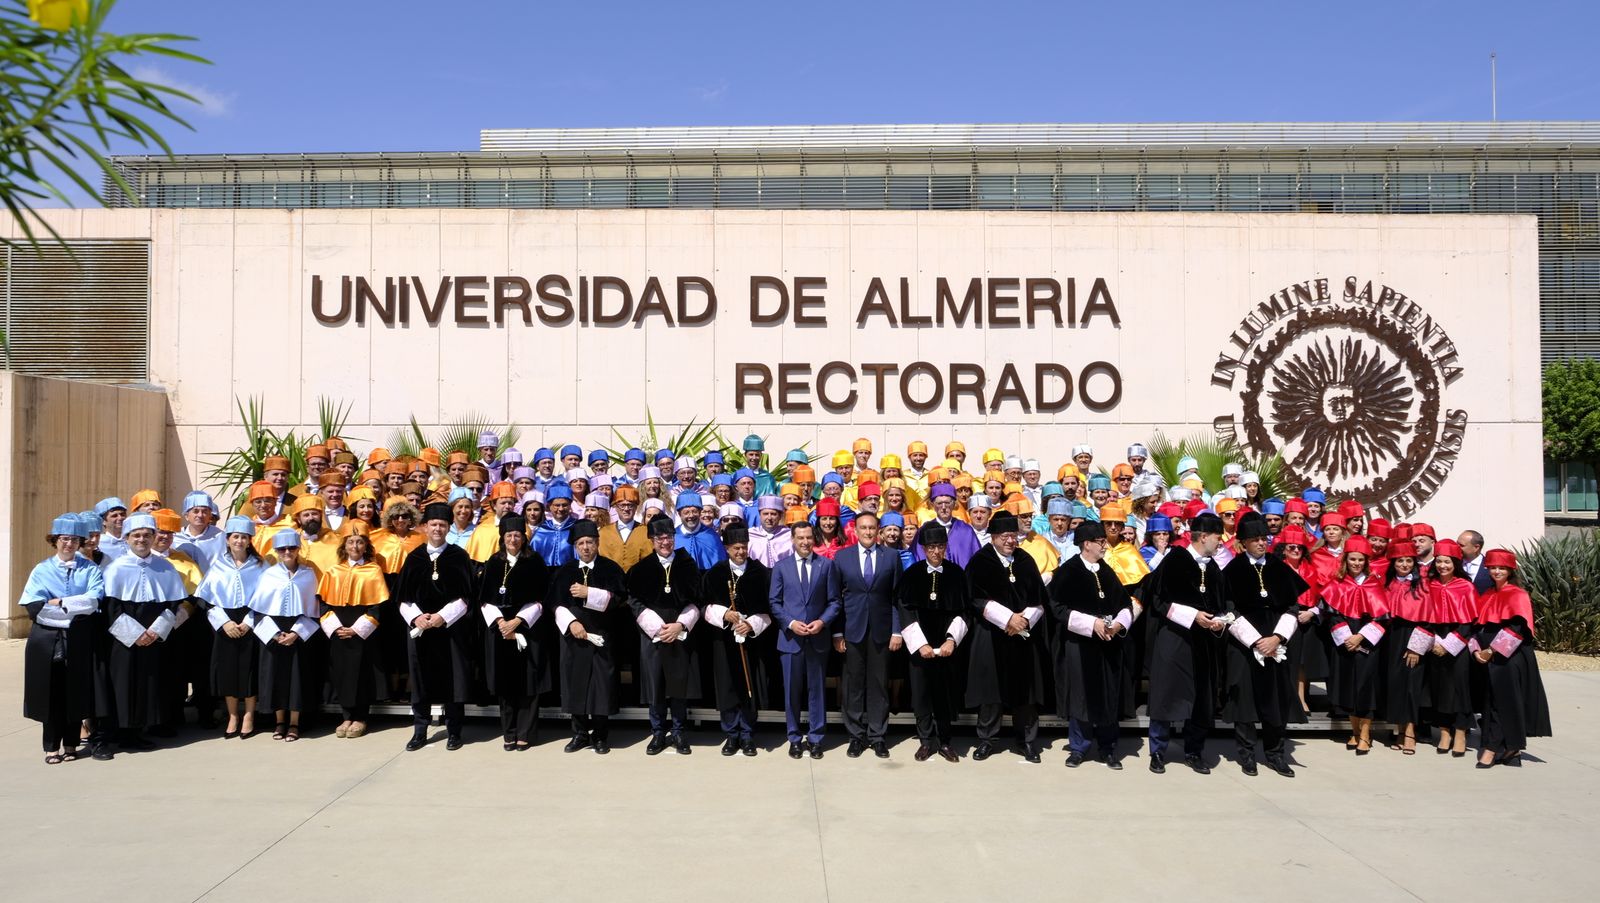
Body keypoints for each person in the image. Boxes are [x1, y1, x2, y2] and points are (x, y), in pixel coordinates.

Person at [1220, 512, 1309, 777]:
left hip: (1277, 646)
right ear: (1243, 543)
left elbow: (1293, 607)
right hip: (1245, 646)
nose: (1261, 543)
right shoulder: (1232, 571)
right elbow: (1228, 610)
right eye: (1255, 539)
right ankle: (1247, 755)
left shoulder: (1279, 567)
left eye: (1264, 538)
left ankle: (1275, 754)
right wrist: (1257, 641)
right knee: (1245, 702)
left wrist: (1277, 638)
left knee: (1276, 699)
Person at [1144, 512, 1228, 775]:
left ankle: (1194, 751)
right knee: (1166, 694)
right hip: (1174, 639)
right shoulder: (1174, 560)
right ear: (1203, 536)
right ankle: (1158, 751)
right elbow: (1158, 600)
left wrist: (1219, 621)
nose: (1220, 543)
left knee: (1201, 698)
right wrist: (1193, 617)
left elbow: (1221, 604)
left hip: (1203, 643)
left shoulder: (1213, 568)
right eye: (1217, 537)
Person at [965, 510, 1051, 763]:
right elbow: (974, 597)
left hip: (1024, 635)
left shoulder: (1025, 560)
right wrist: (1007, 619)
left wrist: (1023, 621)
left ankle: (1026, 740)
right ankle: (987, 739)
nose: (1010, 541)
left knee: (1025, 693)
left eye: (1013, 536)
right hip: (991, 634)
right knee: (991, 692)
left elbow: (1039, 598)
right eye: (1004, 536)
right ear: (993, 537)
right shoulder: (980, 561)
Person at [1051, 520, 1137, 769]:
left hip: (1108, 644)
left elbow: (1124, 603)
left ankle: (1108, 748)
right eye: (1100, 542)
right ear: (1086, 544)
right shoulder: (1068, 571)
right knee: (1081, 696)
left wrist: (1119, 624)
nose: (1104, 547)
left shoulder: (1106, 571)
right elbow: (1057, 608)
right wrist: (1092, 624)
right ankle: (1079, 747)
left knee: (1109, 694)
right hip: (1080, 645)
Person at [22, 514, 105, 765]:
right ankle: (51, 746)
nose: (68, 544)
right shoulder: (42, 569)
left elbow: (94, 600)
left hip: (79, 640)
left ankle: (71, 743)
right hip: (46, 640)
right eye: (64, 539)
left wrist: (61, 603)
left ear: (80, 543)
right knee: (51, 692)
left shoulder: (90, 569)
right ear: (55, 541)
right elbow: (34, 606)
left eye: (74, 540)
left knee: (76, 691)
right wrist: (72, 612)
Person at [102, 513, 188, 751]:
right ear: (127, 538)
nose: (142, 540)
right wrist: (135, 634)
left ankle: (141, 729)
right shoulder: (116, 568)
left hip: (154, 636)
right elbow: (111, 608)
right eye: (136, 535)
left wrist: (156, 630)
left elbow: (173, 604)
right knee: (124, 683)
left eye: (147, 535)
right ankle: (123, 733)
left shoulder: (165, 567)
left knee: (149, 683)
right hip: (125, 639)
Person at [397, 502, 478, 751]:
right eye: (433, 524)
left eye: (442, 525)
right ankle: (420, 730)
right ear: (424, 527)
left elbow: (467, 596)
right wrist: (416, 618)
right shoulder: (414, 558)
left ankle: (454, 731)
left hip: (450, 631)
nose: (437, 529)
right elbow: (402, 597)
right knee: (420, 682)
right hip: (421, 631)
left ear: (449, 527)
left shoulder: (459, 557)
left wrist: (443, 616)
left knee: (454, 681)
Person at [627, 514, 704, 755]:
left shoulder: (687, 564)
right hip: (653, 634)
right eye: (660, 538)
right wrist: (657, 628)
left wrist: (680, 625)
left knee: (678, 685)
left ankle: (679, 731)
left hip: (679, 632)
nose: (665, 542)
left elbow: (698, 599)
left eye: (669, 537)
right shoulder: (641, 569)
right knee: (655, 684)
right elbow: (634, 600)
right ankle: (658, 732)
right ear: (651, 540)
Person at [551, 519, 629, 754]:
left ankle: (601, 735)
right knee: (575, 683)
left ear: (597, 543)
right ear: (575, 546)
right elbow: (554, 603)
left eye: (590, 542)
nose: (585, 547)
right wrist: (572, 623)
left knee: (601, 686)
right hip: (573, 637)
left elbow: (619, 599)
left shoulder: (610, 568)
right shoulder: (565, 571)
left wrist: (589, 593)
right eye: (581, 543)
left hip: (602, 635)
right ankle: (580, 733)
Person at [893, 523, 969, 762]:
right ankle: (926, 741)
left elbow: (965, 611)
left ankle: (945, 741)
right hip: (921, 648)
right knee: (922, 694)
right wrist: (920, 645)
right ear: (924, 549)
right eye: (931, 547)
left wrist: (951, 640)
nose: (936, 551)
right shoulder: (912, 574)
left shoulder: (957, 574)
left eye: (940, 546)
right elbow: (904, 610)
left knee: (945, 694)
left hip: (947, 648)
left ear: (946, 547)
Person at [828, 511, 901, 758]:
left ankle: (878, 735)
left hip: (881, 630)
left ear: (878, 530)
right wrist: (837, 632)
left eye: (872, 528)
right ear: (855, 531)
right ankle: (856, 736)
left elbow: (896, 598)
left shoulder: (891, 557)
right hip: (851, 629)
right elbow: (835, 598)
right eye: (863, 528)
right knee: (853, 685)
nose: (868, 532)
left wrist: (896, 630)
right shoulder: (842, 557)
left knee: (879, 684)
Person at [1472, 549, 1552, 768]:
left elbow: (1518, 629)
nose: (1496, 571)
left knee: (1503, 702)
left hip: (1509, 658)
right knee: (1492, 702)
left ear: (1510, 570)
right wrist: (1476, 650)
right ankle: (1511, 748)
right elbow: (1477, 626)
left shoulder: (1517, 594)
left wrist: (1492, 651)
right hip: (1488, 658)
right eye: (1493, 568)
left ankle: (1491, 748)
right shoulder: (1488, 593)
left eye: (1501, 568)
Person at [477, 514, 551, 751]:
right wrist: (501, 622)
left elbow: (541, 599)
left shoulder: (535, 562)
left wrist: (517, 621)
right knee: (505, 684)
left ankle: (525, 733)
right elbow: (484, 599)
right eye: (509, 535)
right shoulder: (493, 562)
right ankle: (508, 733)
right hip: (499, 630)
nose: (513, 539)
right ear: (502, 538)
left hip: (527, 628)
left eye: (517, 535)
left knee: (528, 684)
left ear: (524, 538)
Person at [702, 524, 773, 756]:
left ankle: (747, 733)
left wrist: (751, 623)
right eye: (735, 548)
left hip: (752, 642)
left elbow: (770, 609)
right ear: (726, 548)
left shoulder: (761, 573)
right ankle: (731, 734)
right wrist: (724, 614)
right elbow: (704, 606)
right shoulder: (715, 574)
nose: (740, 552)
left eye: (743, 547)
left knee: (749, 686)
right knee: (728, 686)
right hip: (724, 641)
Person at [769, 522, 839, 759]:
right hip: (791, 639)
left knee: (817, 690)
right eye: (800, 538)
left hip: (818, 637)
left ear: (814, 539)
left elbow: (834, 602)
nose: (805, 542)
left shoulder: (827, 566)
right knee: (791, 691)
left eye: (809, 537)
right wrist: (790, 623)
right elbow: (774, 603)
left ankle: (817, 738)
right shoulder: (781, 568)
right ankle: (794, 737)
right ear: (792, 539)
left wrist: (822, 622)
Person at [193, 517, 265, 740]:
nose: (240, 541)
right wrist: (224, 622)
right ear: (227, 540)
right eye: (236, 537)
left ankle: (249, 715)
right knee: (228, 671)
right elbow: (206, 600)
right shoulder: (218, 566)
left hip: (251, 621)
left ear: (249, 541)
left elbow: (267, 599)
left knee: (249, 670)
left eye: (244, 537)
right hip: (225, 623)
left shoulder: (261, 566)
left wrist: (249, 622)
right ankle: (233, 715)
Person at [316, 522, 388, 740]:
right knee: (341, 672)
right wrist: (337, 628)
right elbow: (324, 604)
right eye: (351, 542)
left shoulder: (373, 570)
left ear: (366, 546)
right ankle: (346, 715)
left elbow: (377, 606)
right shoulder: (333, 571)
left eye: (359, 542)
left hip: (361, 631)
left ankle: (360, 717)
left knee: (362, 674)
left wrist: (356, 630)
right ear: (344, 546)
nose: (355, 546)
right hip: (338, 629)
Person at [249, 531, 321, 742]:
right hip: (273, 632)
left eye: (291, 548)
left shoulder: (309, 575)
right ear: (277, 552)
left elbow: (314, 610)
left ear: (298, 549)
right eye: (282, 549)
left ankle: (295, 723)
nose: (287, 552)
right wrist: (274, 633)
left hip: (298, 631)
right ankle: (280, 721)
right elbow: (259, 610)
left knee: (297, 678)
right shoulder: (268, 575)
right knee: (276, 677)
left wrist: (296, 633)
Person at [1320, 535, 1388, 755]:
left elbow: (1382, 617)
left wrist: (1361, 637)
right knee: (1347, 688)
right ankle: (1355, 731)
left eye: (1360, 559)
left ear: (1366, 561)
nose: (1356, 563)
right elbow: (1330, 614)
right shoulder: (1337, 584)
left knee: (1365, 689)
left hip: (1368, 644)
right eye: (1352, 559)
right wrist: (1347, 638)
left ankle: (1366, 734)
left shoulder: (1374, 584)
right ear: (1345, 560)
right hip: (1344, 644)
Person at [1421, 539, 1478, 757]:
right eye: (1439, 561)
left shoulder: (1466, 586)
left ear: (1455, 563)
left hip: (1457, 644)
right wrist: (1434, 641)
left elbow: (1468, 622)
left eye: (1447, 562)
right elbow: (1424, 617)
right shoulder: (1429, 585)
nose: (1442, 566)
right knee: (1439, 689)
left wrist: (1449, 644)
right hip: (1434, 642)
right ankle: (1444, 731)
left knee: (1459, 689)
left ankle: (1461, 732)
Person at [1380, 540, 1427, 754]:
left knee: (1411, 686)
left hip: (1412, 637)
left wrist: (1417, 647)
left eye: (1409, 560)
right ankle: (1397, 729)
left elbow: (1428, 618)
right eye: (1400, 560)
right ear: (1394, 562)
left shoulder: (1423, 585)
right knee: (1395, 685)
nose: (1405, 564)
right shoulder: (1387, 583)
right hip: (1390, 638)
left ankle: (1410, 732)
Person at [912, 484, 981, 566]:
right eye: (939, 503)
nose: (943, 507)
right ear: (933, 505)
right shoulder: (925, 531)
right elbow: (916, 558)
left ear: (954, 504)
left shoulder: (966, 531)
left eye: (947, 503)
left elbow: (977, 561)